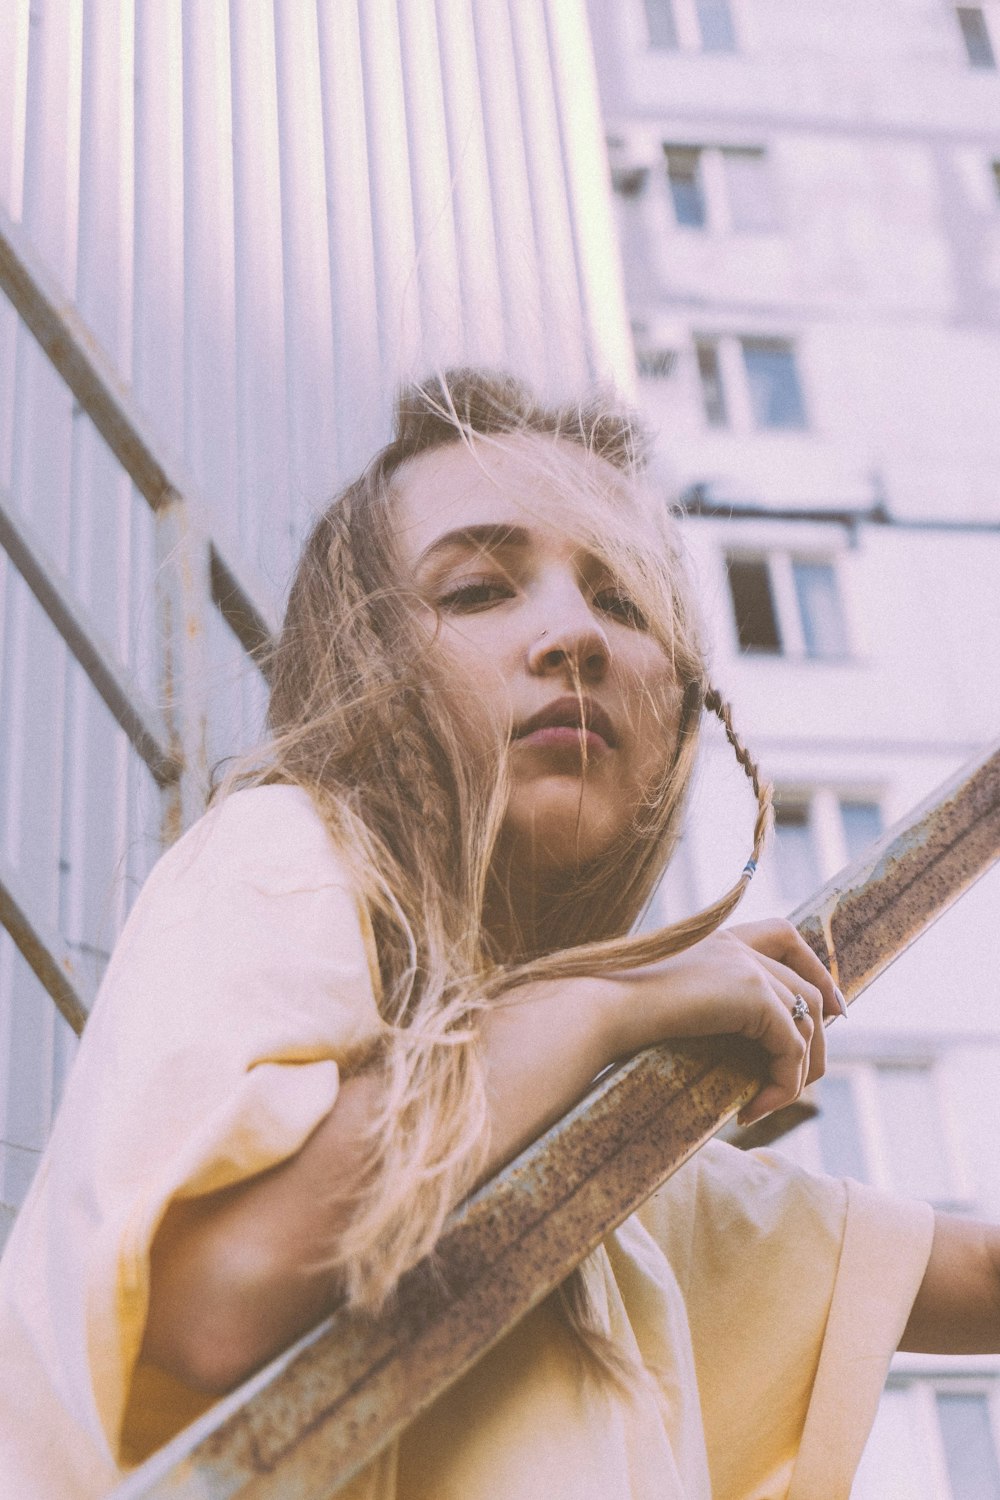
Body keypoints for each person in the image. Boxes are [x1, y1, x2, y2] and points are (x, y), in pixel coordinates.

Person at [0, 369, 996, 1500]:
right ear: (365, 658)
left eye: (623, 605)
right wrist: (604, 1004)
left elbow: (965, 1274)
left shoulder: (608, 1145)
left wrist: (600, 1026)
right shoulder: (288, 848)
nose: (572, 632)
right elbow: (212, 1293)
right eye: (478, 590)